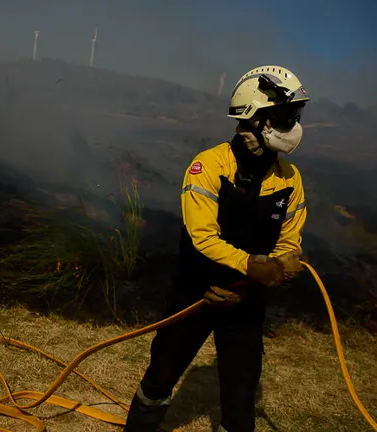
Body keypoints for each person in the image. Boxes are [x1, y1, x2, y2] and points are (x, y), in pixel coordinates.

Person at [124, 65, 310, 432]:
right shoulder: (208, 167)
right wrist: (251, 266)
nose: (293, 125)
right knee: (159, 379)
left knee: (241, 400)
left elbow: (290, 242)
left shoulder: (290, 180)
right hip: (195, 294)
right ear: (253, 117)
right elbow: (202, 237)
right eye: (284, 116)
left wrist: (284, 266)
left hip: (245, 302)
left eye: (295, 115)